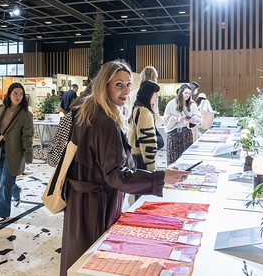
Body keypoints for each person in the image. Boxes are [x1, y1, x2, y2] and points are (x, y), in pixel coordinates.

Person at [60, 60, 189, 276]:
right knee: (92, 263)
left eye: (129, 84)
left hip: (80, 203)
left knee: (77, 259)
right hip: (95, 205)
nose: (126, 90)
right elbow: (116, 175)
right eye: (119, 84)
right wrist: (161, 177)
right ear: (104, 85)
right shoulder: (105, 120)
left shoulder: (88, 111)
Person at [0, 83, 34, 224]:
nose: (18, 96)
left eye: (21, 94)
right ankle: (15, 191)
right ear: (9, 94)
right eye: (15, 93)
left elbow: (27, 136)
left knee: (5, 183)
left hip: (15, 153)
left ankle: (2, 212)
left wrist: (28, 154)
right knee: (3, 180)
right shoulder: (0, 108)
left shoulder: (25, 115)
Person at [164, 83, 203, 165]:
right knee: (173, 158)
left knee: (186, 159)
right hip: (174, 134)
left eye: (189, 93)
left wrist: (193, 119)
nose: (187, 95)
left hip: (186, 134)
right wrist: (177, 119)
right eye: (186, 93)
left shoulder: (192, 104)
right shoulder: (171, 104)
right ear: (181, 92)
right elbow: (166, 119)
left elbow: (199, 117)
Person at [128, 80, 160, 171]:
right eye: (155, 93)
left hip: (135, 154)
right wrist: (151, 164)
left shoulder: (136, 108)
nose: (157, 97)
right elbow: (146, 139)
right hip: (142, 158)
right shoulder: (144, 111)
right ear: (148, 94)